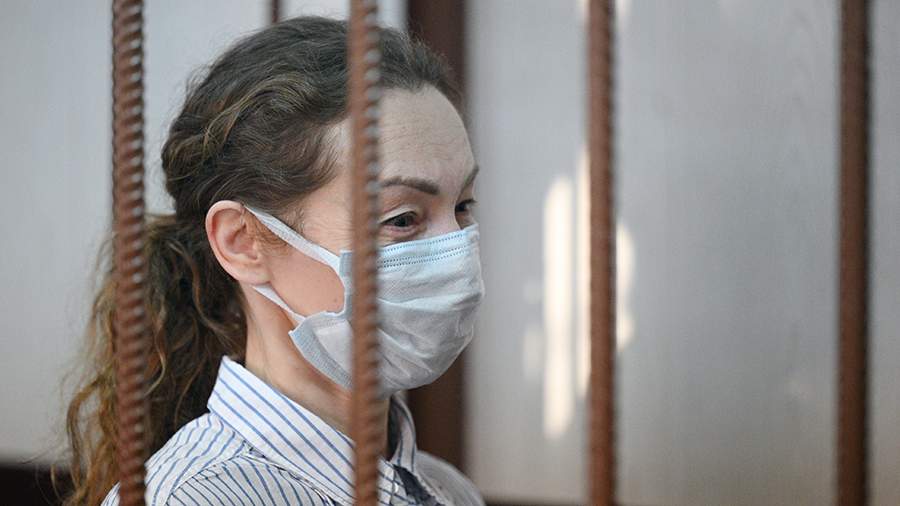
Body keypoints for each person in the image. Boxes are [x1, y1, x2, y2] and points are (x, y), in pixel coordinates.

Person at [64, 16, 485, 505]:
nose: (456, 249)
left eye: (463, 207)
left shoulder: (449, 490)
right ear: (243, 241)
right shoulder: (190, 498)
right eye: (402, 218)